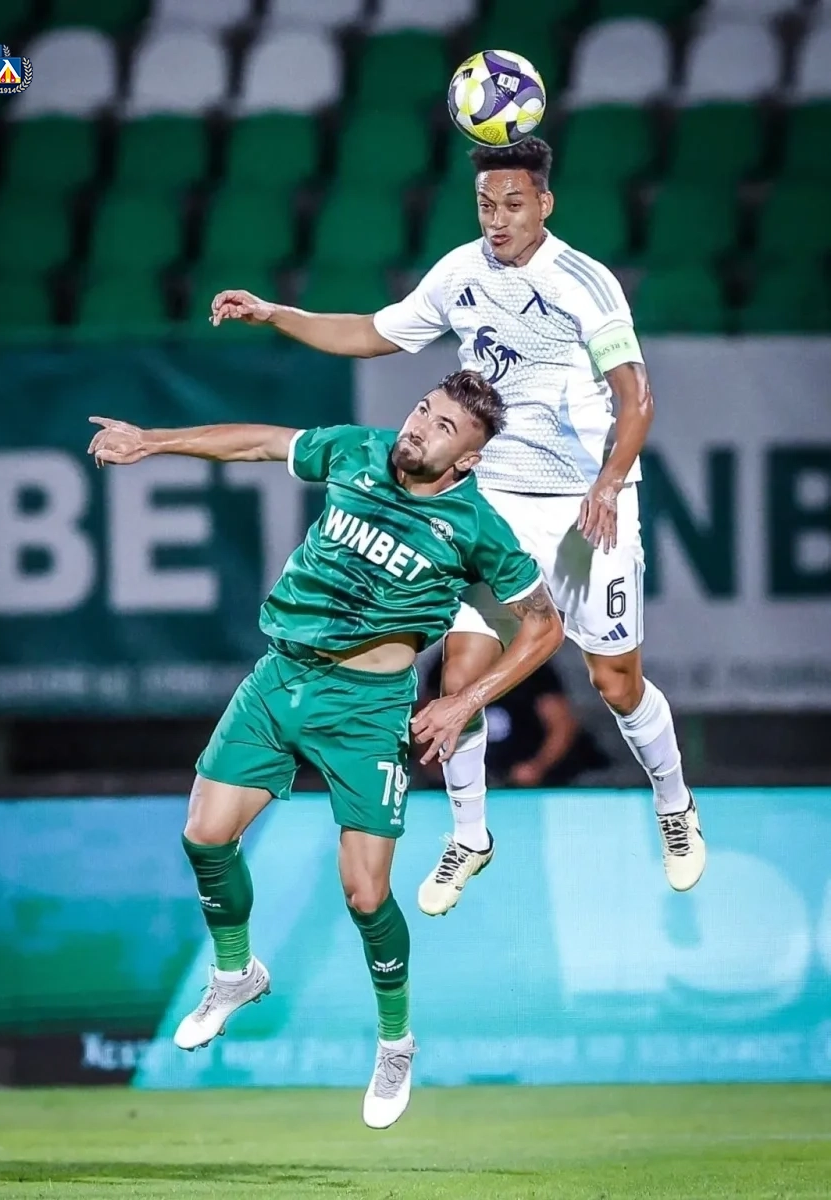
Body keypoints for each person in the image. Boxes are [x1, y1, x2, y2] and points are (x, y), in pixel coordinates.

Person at [208, 136, 706, 913]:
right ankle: (470, 836)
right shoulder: (459, 272)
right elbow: (371, 333)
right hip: (496, 501)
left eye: (513, 204)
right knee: (460, 676)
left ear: (544, 204)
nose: (497, 219)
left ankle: (674, 805)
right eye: (485, 205)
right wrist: (277, 313)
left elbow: (635, 396)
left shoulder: (585, 282)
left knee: (616, 683)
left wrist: (611, 481)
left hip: (585, 506)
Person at [86, 370, 563, 1130]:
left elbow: (544, 626)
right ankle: (236, 973)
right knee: (204, 836)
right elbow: (259, 444)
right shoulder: (356, 451)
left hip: (366, 711)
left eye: (443, 428)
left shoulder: (477, 527)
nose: (419, 427)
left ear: (468, 459)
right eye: (423, 410)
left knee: (365, 894)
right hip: (279, 678)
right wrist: (153, 442)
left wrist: (464, 699)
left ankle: (396, 1043)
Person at [419, 652, 610, 790]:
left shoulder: (531, 663)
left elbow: (562, 725)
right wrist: (436, 769)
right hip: (463, 781)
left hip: (530, 782)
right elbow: (425, 720)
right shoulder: (449, 660)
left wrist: (537, 767)